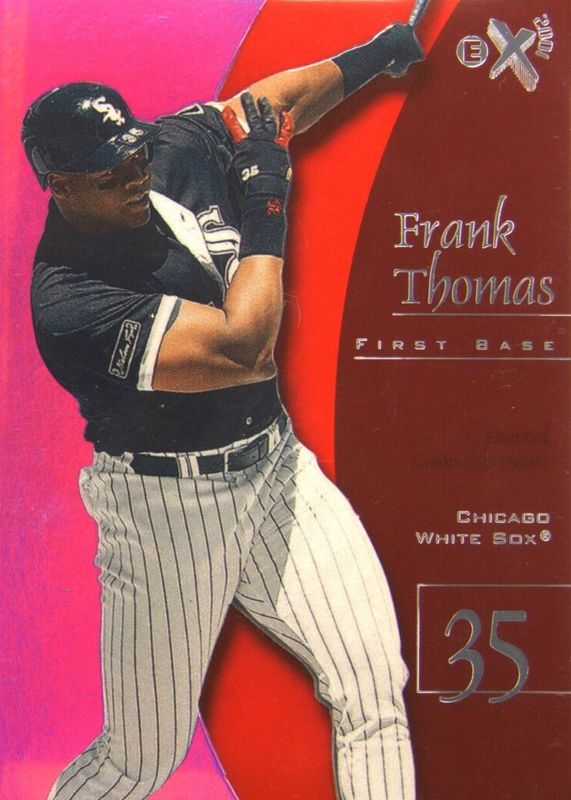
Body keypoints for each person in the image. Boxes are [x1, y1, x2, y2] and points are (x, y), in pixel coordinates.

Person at [22, 18, 424, 800]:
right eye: (109, 173)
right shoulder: (69, 302)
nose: (133, 174)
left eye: (135, 155)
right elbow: (245, 346)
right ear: (60, 186)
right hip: (166, 509)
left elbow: (272, 107)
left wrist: (377, 55)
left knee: (373, 691)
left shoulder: (169, 149)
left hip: (275, 470)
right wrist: (267, 198)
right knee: (140, 760)